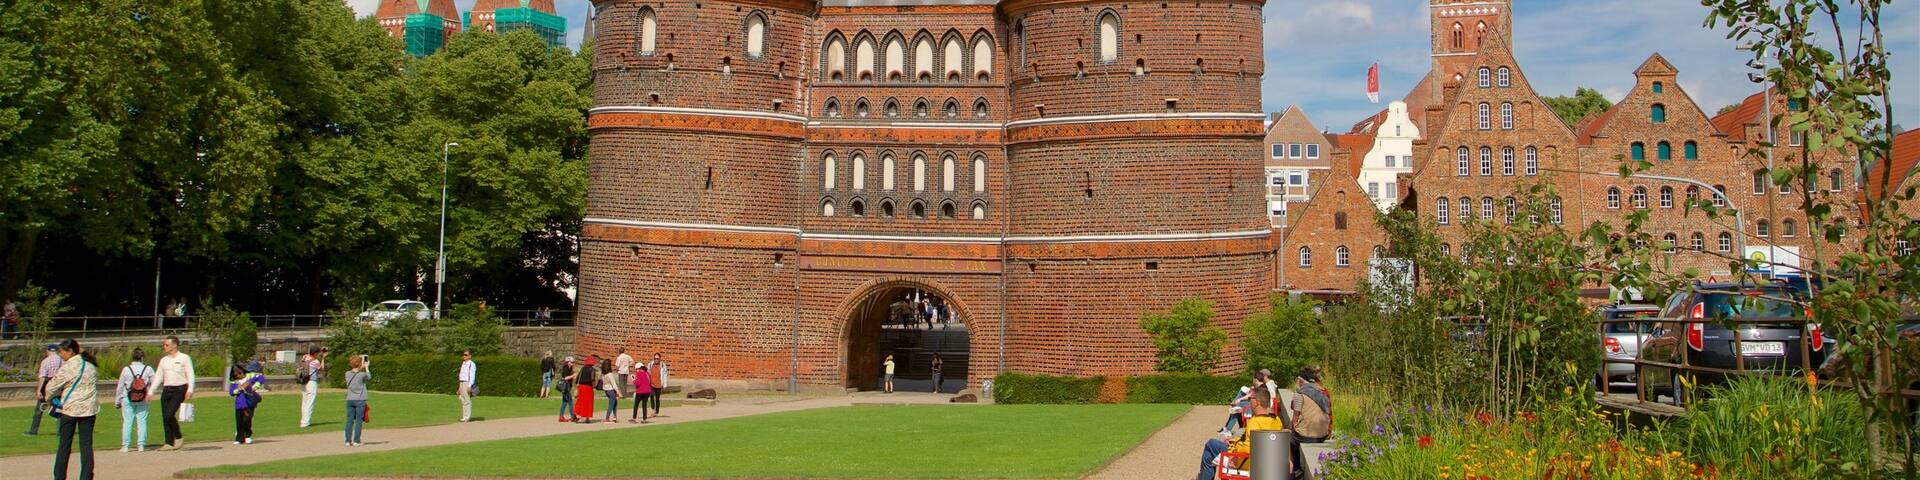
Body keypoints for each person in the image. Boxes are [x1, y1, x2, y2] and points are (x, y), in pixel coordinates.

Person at [1197, 388, 1284, 480]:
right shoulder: (1277, 420)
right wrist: (1233, 442)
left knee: (1211, 444)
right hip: (1265, 464)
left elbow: (1247, 448)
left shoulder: (1255, 422)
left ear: (1257, 402)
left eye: (1250, 399)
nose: (1249, 401)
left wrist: (1234, 450)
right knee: (1210, 453)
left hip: (1247, 464)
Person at [45, 339, 99, 480]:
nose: (60, 355)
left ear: (70, 351)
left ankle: (60, 476)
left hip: (70, 409)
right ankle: (86, 476)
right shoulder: (91, 366)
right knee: (86, 445)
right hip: (89, 410)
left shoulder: (69, 366)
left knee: (64, 445)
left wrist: (49, 398)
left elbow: (51, 387)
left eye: (61, 352)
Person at [152, 336, 195, 450]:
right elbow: (158, 377)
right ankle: (169, 443)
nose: (164, 347)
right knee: (165, 417)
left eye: (166, 345)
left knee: (169, 414)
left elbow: (190, 374)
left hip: (180, 389)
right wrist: (151, 391)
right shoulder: (164, 360)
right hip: (167, 389)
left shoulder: (184, 358)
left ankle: (178, 436)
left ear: (174, 345)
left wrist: (190, 390)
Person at [115, 347, 156, 452]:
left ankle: (125, 445)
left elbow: (120, 386)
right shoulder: (148, 369)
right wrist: (149, 392)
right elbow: (155, 383)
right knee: (142, 421)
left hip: (127, 397)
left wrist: (117, 401)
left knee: (127, 421)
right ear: (142, 357)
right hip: (143, 398)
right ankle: (141, 445)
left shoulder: (126, 369)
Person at [25, 343, 63, 436]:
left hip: (47, 385)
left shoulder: (45, 361)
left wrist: (39, 390)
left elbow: (42, 377)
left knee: (39, 409)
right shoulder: (62, 361)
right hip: (58, 385)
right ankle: (60, 431)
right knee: (58, 408)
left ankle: (33, 431)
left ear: (48, 351)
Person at [1289, 367, 1332, 444]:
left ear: (1301, 381)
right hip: (1323, 436)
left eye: (1297, 380)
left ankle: (1291, 456)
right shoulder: (1322, 392)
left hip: (1305, 437)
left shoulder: (1300, 394)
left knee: (1288, 438)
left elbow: (1295, 419)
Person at [228, 364, 262, 445]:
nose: (239, 375)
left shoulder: (250, 376)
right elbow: (231, 392)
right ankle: (239, 438)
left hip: (249, 403)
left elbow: (261, 377)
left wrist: (256, 385)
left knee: (247, 420)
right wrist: (237, 390)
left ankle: (248, 435)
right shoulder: (234, 382)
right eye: (236, 374)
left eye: (240, 373)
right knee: (239, 421)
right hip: (239, 403)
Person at [343, 354, 371, 446]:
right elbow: (369, 377)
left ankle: (347, 441)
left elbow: (355, 372)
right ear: (359, 364)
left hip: (350, 399)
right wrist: (366, 367)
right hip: (360, 400)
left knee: (349, 421)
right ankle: (356, 441)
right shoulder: (362, 374)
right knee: (358, 420)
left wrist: (360, 365)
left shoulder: (347, 374)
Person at [298, 346, 325, 428]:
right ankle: (306, 422)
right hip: (311, 382)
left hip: (304, 381)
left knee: (304, 402)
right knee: (310, 402)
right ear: (316, 353)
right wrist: (323, 358)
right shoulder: (316, 361)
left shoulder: (305, 357)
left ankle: (303, 421)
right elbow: (322, 368)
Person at [572, 356, 597, 423]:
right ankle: (586, 417)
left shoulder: (582, 368)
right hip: (588, 388)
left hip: (581, 387)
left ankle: (576, 414)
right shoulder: (592, 370)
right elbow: (592, 379)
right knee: (588, 403)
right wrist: (594, 386)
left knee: (580, 401)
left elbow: (578, 378)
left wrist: (576, 386)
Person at [456, 350, 476, 422]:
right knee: (462, 398)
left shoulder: (471, 364)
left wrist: (469, 385)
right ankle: (464, 416)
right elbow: (461, 375)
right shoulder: (463, 363)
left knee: (467, 399)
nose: (464, 356)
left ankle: (467, 417)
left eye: (466, 355)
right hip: (461, 382)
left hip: (466, 382)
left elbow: (472, 375)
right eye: (463, 355)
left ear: (470, 356)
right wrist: (459, 387)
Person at [555, 356, 576, 422]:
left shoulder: (570, 368)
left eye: (573, 362)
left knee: (564, 402)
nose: (572, 363)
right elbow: (565, 378)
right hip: (565, 387)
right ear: (568, 362)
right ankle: (572, 416)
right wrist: (573, 376)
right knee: (570, 402)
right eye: (571, 362)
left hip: (568, 386)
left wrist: (573, 377)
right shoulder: (566, 368)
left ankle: (561, 416)